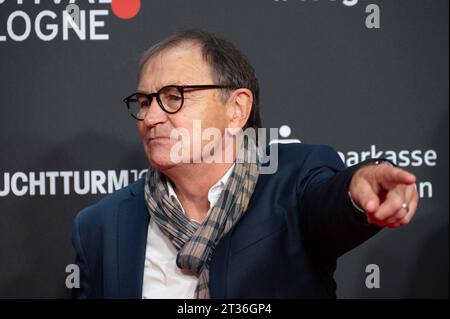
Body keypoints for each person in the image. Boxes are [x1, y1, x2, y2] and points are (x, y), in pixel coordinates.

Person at [71, 30, 419, 299]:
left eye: (174, 97)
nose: (151, 117)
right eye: (144, 102)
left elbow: (331, 203)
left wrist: (357, 192)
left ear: (237, 109)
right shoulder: (101, 225)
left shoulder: (293, 180)